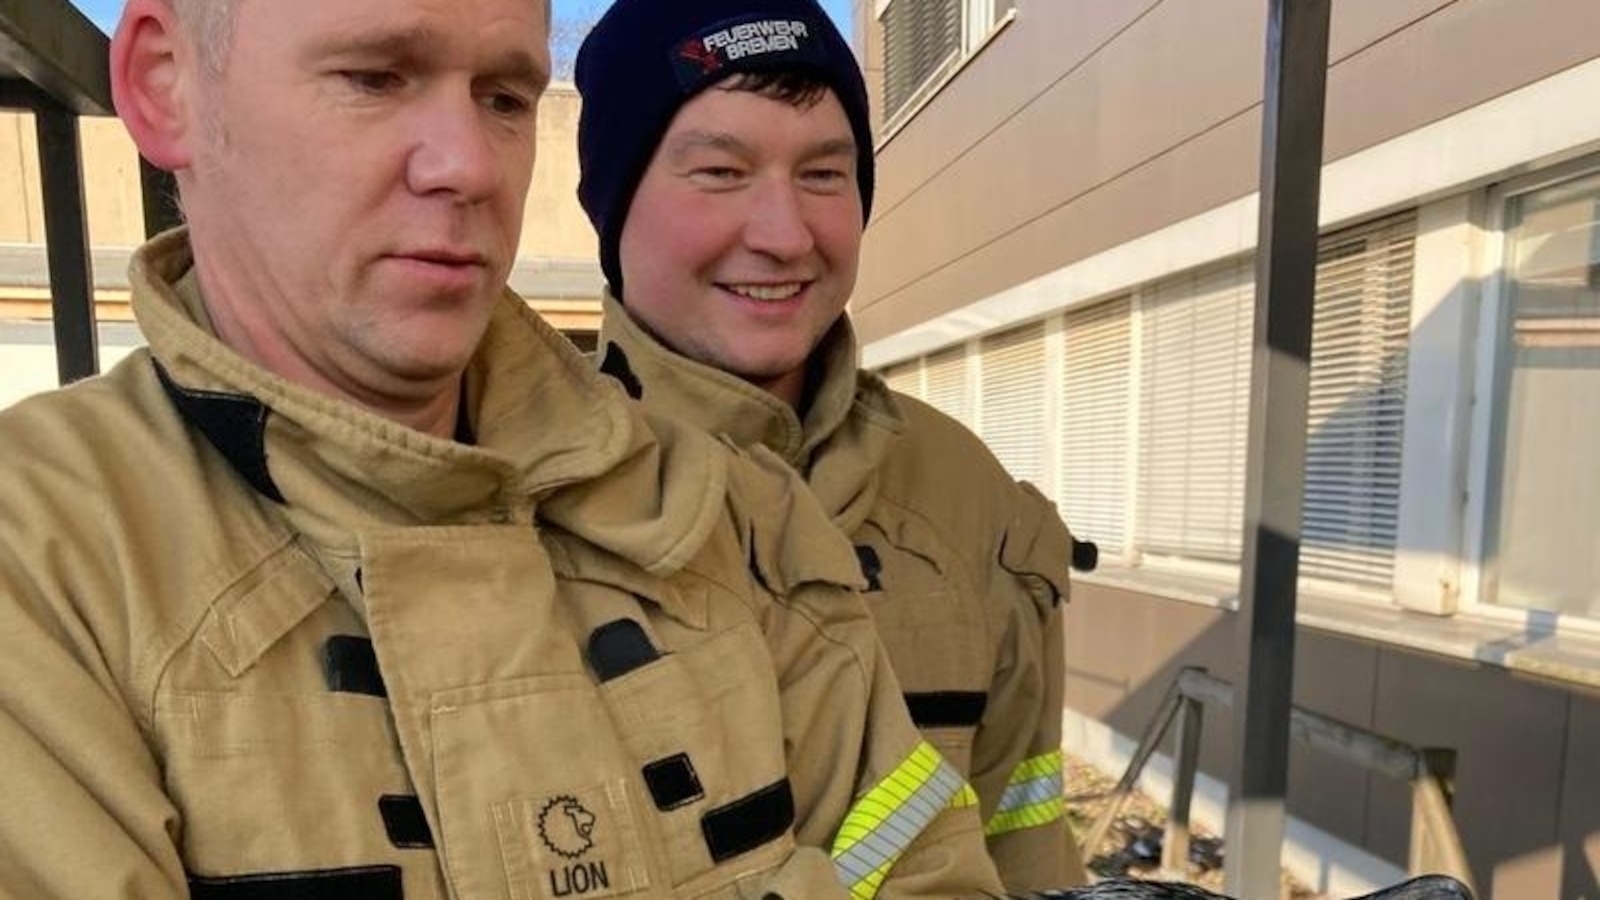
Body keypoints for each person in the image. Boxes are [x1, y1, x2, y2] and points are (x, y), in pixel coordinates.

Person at [0, 0, 1003, 897]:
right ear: (163, 84)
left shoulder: (730, 512)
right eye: (375, 77)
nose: (472, 165)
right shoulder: (45, 566)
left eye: (506, 98)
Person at [574, 0, 1088, 890]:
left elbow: (1026, 842)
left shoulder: (967, 495)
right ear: (613, 208)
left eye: (823, 174)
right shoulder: (507, 491)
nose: (785, 236)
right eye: (721, 171)